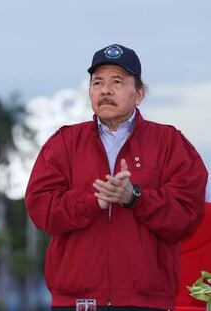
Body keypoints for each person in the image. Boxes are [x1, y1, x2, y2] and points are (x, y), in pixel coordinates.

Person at [25, 44, 208, 310]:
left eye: (117, 82)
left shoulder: (170, 143)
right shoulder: (64, 142)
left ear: (139, 93)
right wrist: (92, 202)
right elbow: (41, 207)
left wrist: (135, 198)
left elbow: (186, 214)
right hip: (76, 301)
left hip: (147, 301)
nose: (105, 90)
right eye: (97, 82)